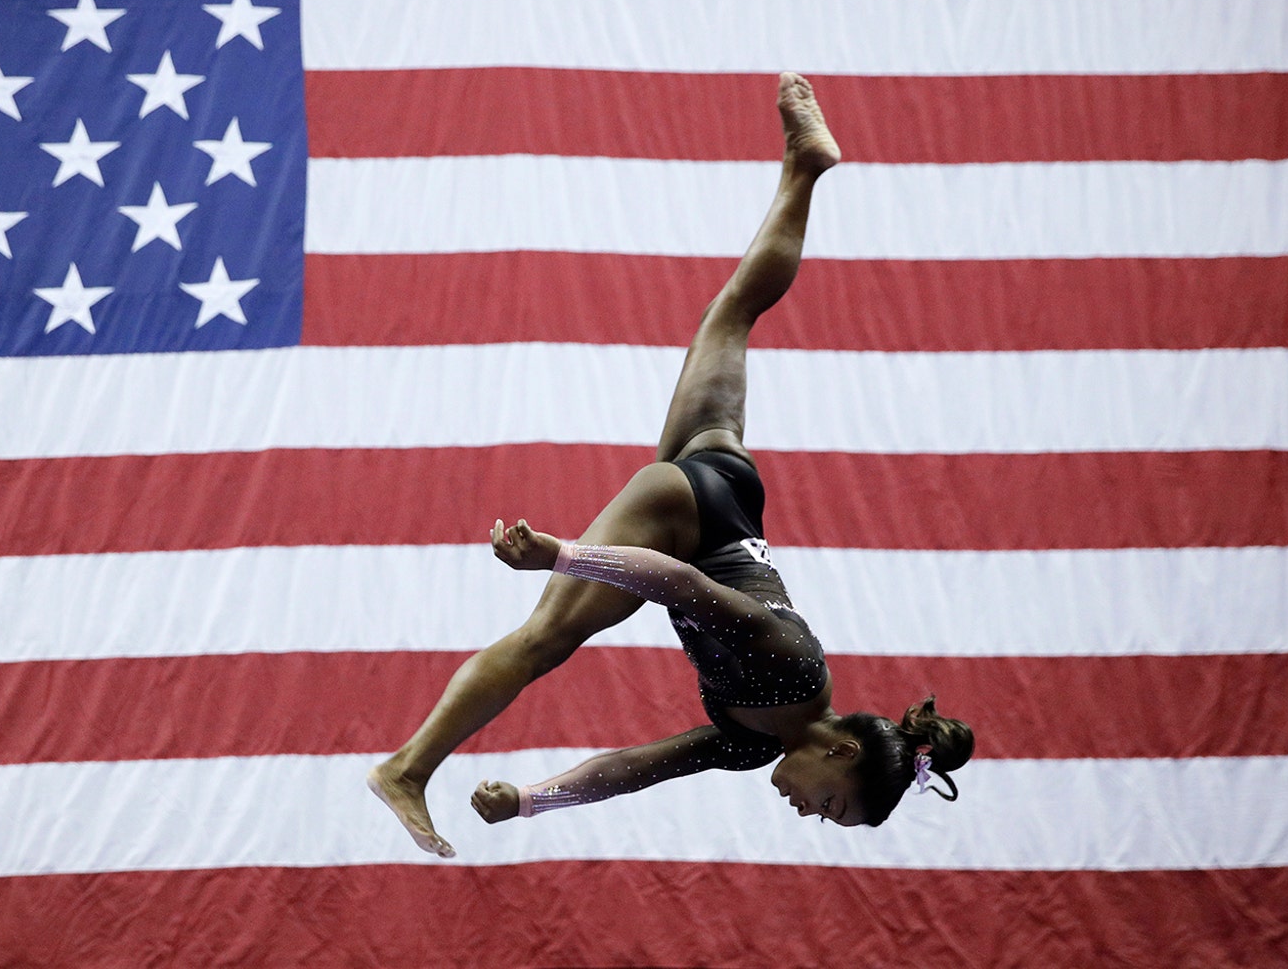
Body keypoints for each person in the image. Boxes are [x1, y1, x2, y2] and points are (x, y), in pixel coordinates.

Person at [367, 73, 973, 856]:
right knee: (545, 639)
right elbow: (682, 585)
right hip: (687, 520)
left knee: (731, 316)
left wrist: (530, 802)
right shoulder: (791, 671)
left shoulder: (756, 740)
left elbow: (638, 769)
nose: (811, 814)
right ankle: (409, 769)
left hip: (726, 494)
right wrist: (559, 554)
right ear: (842, 753)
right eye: (833, 806)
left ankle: (803, 168)